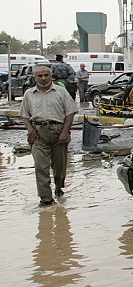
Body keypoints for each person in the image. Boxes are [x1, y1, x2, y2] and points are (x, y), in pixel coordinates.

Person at [20, 66, 78, 206]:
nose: (43, 78)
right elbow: (24, 115)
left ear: (51, 76)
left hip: (58, 131)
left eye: (46, 75)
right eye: (40, 76)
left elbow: (70, 113)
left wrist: (65, 132)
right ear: (35, 78)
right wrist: (30, 130)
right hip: (38, 133)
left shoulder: (61, 91)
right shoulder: (29, 94)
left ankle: (58, 187)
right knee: (40, 166)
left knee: (59, 166)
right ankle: (46, 198)